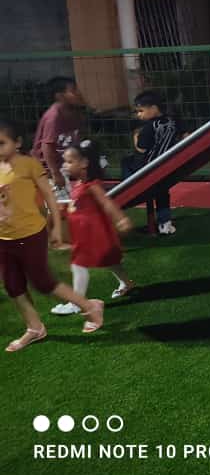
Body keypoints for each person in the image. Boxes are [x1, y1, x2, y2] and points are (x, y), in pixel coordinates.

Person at [0, 119, 104, 351]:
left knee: (43, 282)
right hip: (4, 238)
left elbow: (49, 197)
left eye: (1, 143)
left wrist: (56, 227)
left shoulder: (29, 165)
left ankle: (90, 306)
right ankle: (34, 328)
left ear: (17, 142)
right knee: (13, 285)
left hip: (30, 234)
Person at [50, 140, 135, 316]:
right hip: (88, 233)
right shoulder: (80, 184)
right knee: (110, 259)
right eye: (65, 161)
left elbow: (106, 202)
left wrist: (121, 218)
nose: (65, 165)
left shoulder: (91, 185)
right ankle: (126, 283)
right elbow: (78, 205)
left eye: (69, 161)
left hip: (93, 234)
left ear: (84, 163)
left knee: (78, 265)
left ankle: (77, 303)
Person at [31, 76, 85, 247]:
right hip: (48, 166)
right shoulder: (54, 117)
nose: (77, 93)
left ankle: (59, 236)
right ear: (60, 96)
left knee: (67, 201)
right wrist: (55, 174)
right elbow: (47, 147)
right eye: (73, 91)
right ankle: (53, 239)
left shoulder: (74, 113)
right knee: (59, 204)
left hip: (65, 164)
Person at [131, 90, 182, 235]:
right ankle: (165, 223)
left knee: (126, 162)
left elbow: (141, 149)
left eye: (141, 111)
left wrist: (135, 136)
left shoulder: (148, 128)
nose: (139, 115)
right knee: (162, 193)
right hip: (167, 165)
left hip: (149, 167)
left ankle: (128, 184)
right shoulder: (173, 121)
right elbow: (185, 135)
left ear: (153, 108)